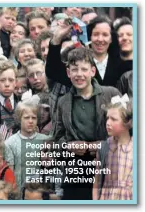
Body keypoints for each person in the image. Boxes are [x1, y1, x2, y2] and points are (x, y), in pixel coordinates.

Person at [54, 47, 122, 200]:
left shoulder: (111, 94)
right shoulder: (63, 102)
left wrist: (103, 145)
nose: (79, 74)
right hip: (75, 174)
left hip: (108, 169)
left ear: (92, 71)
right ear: (68, 73)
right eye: (74, 69)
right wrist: (68, 146)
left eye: (84, 69)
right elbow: (57, 139)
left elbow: (126, 133)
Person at [93, 95, 133, 200]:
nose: (108, 123)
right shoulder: (104, 147)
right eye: (107, 118)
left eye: (113, 119)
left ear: (128, 123)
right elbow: (97, 181)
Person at [5, 101, 50, 189]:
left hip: (41, 190)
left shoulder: (46, 140)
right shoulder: (10, 143)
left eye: (34, 118)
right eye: (26, 118)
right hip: (19, 190)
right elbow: (10, 172)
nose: (30, 121)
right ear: (19, 119)